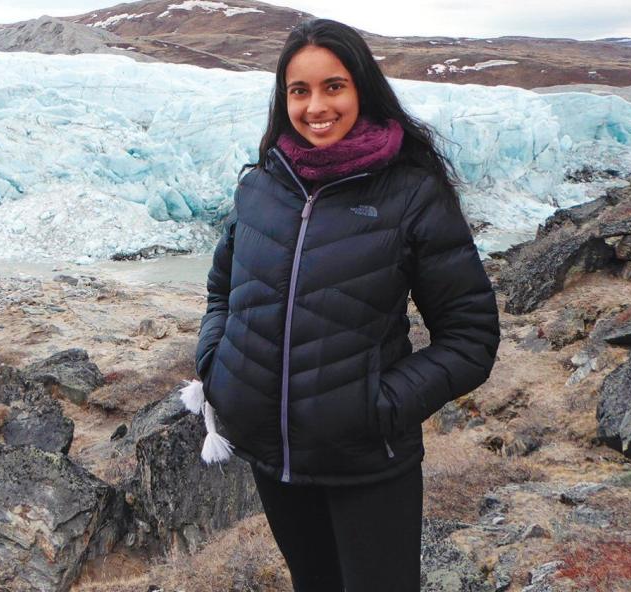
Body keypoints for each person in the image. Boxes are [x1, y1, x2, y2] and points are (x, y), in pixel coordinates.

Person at [193, 18, 500, 592]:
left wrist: (377, 406)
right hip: (273, 457)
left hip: (367, 462)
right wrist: (217, 367)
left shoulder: (411, 193)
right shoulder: (262, 186)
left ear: (362, 88)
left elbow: (471, 337)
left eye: (333, 86)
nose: (316, 107)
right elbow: (222, 290)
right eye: (299, 90)